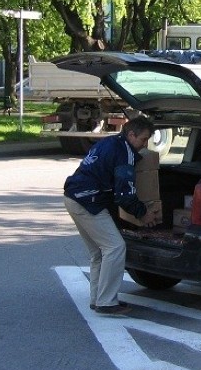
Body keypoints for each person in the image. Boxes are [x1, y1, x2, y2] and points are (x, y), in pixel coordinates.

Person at [63, 116, 156, 317]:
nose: (144, 144)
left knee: (98, 252)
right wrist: (144, 214)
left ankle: (97, 299)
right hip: (89, 201)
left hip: (72, 196)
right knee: (115, 247)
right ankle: (106, 302)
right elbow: (124, 195)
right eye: (143, 139)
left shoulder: (109, 142)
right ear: (131, 134)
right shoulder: (124, 153)